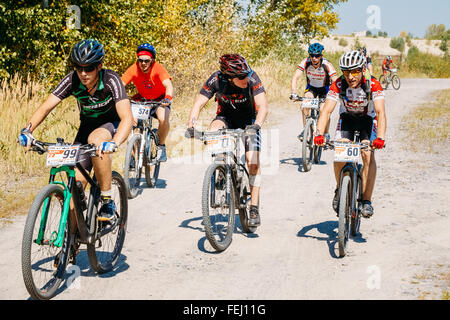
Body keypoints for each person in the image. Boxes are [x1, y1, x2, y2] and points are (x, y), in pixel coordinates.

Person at [19, 39, 133, 230]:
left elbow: (127, 118)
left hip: (111, 124)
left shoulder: (111, 80)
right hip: (86, 126)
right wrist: (27, 131)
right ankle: (70, 242)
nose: (83, 73)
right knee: (74, 186)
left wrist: (114, 142)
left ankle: (106, 200)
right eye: (78, 68)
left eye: (88, 68)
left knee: (97, 141)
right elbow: (46, 107)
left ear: (99, 66)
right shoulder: (72, 80)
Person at [186, 54, 269, 226]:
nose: (245, 77)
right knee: (214, 131)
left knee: (252, 161)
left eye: (246, 73)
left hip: (250, 121)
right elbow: (198, 104)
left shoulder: (252, 78)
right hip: (225, 117)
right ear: (230, 77)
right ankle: (221, 167)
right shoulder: (216, 79)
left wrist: (257, 126)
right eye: (240, 76)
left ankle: (253, 207)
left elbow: (263, 107)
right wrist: (191, 126)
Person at [313, 50, 386, 218]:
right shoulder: (338, 84)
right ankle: (340, 189)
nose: (350, 76)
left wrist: (380, 138)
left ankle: (366, 200)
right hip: (347, 119)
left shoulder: (373, 84)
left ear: (362, 69)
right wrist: (319, 133)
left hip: (368, 120)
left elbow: (381, 113)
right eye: (346, 72)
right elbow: (326, 111)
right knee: (340, 153)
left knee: (367, 154)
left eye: (354, 71)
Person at [121, 43, 174, 162]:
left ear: (152, 60)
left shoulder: (158, 68)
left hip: (159, 99)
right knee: (132, 124)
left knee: (162, 118)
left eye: (146, 61)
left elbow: (168, 85)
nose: (143, 63)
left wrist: (168, 98)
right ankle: (133, 156)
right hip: (142, 99)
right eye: (140, 60)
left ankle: (161, 146)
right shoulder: (133, 68)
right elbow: (120, 85)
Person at [290, 42, 338, 141]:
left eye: (317, 56)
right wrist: (293, 92)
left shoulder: (327, 64)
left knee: (323, 110)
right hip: (311, 88)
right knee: (305, 104)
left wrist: (338, 93)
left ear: (321, 56)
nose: (314, 58)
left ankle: (326, 133)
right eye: (312, 55)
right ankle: (305, 130)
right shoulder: (305, 62)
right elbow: (296, 77)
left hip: (325, 89)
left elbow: (335, 80)